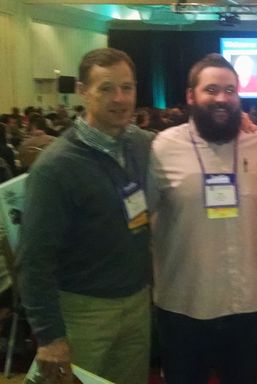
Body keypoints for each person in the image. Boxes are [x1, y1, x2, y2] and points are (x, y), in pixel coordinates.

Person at [147, 53, 257, 384]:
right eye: (211, 89)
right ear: (190, 96)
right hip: (183, 306)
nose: (222, 98)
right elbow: (140, 217)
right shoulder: (162, 147)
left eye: (230, 90)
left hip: (246, 306)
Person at [18, 47, 153, 384]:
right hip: (83, 312)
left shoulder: (139, 144)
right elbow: (34, 260)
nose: (120, 99)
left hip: (137, 302)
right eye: (106, 88)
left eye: (127, 87)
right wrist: (50, 336)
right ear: (82, 91)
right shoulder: (55, 167)